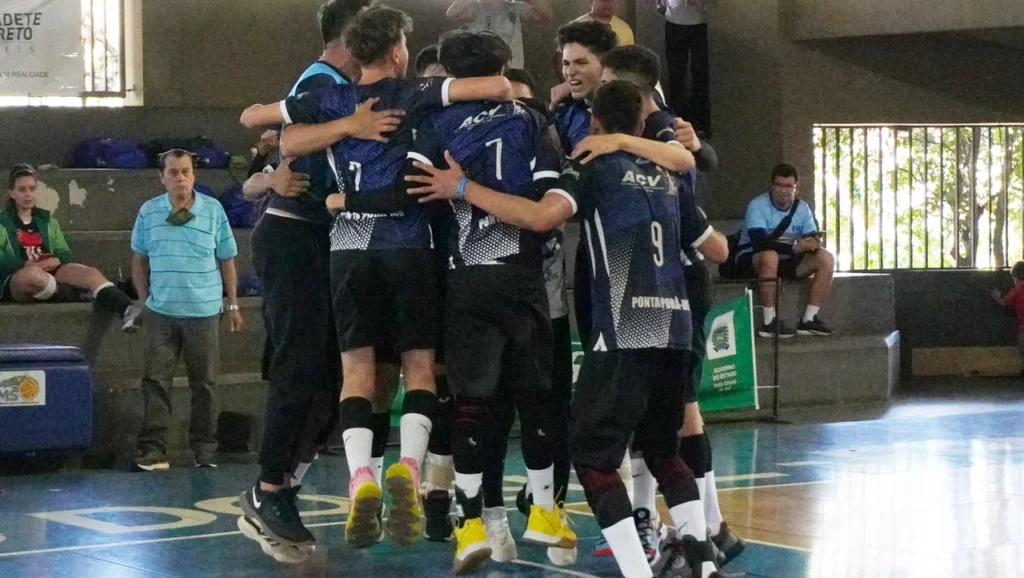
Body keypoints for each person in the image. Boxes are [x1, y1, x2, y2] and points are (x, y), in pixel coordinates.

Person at [409, 81, 717, 578]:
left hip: (625, 329)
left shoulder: (592, 167)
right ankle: (703, 566)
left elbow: (539, 217)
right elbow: (717, 246)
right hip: (676, 326)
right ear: (642, 125)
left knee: (591, 457)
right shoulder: (666, 172)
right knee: (662, 449)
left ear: (594, 122)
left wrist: (462, 188)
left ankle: (637, 571)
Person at [240, 5, 514, 551]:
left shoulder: (328, 95)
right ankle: (403, 473)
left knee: (353, 368)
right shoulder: (405, 93)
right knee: (415, 365)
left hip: (344, 245)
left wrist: (344, 130)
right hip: (400, 243)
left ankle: (357, 476)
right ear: (395, 50)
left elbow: (264, 125)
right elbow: (500, 84)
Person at [235, 0, 407, 560]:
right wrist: (347, 126)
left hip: (329, 240)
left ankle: (285, 487)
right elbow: (279, 133)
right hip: (294, 238)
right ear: (351, 37)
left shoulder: (350, 85)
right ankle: (268, 487)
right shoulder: (322, 79)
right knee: (302, 364)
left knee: (341, 371)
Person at [403, 30, 578, 573]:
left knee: (473, 401)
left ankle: (470, 519)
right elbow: (550, 204)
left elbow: (411, 200)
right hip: (522, 275)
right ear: (503, 67)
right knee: (537, 395)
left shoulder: (431, 125)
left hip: (464, 277)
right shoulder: (531, 121)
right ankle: (545, 508)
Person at [599, 43, 744, 567]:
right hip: (667, 283)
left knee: (675, 414)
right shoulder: (655, 126)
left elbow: (691, 161)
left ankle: (706, 529)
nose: (578, 75)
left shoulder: (653, 127)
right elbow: (700, 158)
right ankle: (696, 529)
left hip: (668, 282)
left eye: (587, 68)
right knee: (666, 416)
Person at [130, 150, 243, 473]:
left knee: (204, 384)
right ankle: (154, 450)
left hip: (204, 311)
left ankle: (205, 450)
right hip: (161, 312)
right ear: (161, 177)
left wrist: (232, 303)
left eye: (186, 171)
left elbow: (227, 259)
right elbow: (138, 260)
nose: (180, 178)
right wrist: (143, 300)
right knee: (155, 381)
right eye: (173, 172)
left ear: (194, 175)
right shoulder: (148, 212)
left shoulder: (214, 211)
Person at [1, 165, 140, 332]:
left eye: (32, 188)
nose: (28, 194)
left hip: (50, 269)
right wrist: (24, 265)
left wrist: (56, 259)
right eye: (22, 189)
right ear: (12, 193)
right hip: (19, 276)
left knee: (89, 272)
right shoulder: (3, 222)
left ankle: (127, 309)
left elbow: (64, 252)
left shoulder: (47, 221)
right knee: (33, 276)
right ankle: (73, 294)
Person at [735, 164, 835, 338]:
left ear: (795, 188)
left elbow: (810, 236)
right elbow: (760, 244)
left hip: (786, 259)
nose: (783, 190)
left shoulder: (802, 208)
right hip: (753, 259)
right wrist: (794, 248)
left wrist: (813, 242)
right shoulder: (757, 206)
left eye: (788, 186)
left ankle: (809, 320)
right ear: (772, 186)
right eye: (779, 185)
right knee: (770, 256)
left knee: (826, 258)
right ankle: (769, 322)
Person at [445, 0, 554, 69]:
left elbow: (546, 15)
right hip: (480, 71)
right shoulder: (474, 7)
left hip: (511, 72)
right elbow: (451, 14)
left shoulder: (515, 7)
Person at [657, 0, 711, 137]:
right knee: (676, 76)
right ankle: (678, 122)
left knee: (699, 74)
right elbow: (660, 6)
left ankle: (700, 124)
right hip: (673, 21)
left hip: (697, 22)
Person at [992, 261, 1024, 376]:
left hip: (1023, 327)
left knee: (1022, 349)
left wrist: (996, 297)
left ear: (1015, 277)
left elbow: (1004, 303)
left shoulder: (1015, 291)